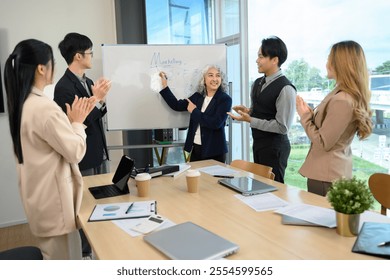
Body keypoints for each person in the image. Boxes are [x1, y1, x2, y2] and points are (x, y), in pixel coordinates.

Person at [4, 39, 96, 259]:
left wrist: (71, 122)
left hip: (41, 203)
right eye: (51, 62)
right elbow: (75, 151)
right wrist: (77, 122)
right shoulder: (44, 108)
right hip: (55, 209)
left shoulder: (23, 104)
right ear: (42, 68)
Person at [54, 32, 111, 258]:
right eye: (89, 53)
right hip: (83, 156)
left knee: (104, 202)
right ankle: (86, 254)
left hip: (99, 151)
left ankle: (104, 246)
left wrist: (101, 100)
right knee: (86, 207)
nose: (92, 57)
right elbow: (82, 120)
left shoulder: (88, 81)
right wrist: (97, 99)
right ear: (78, 56)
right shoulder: (63, 88)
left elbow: (97, 116)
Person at [296, 40, 372, 196]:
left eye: (329, 59)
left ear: (340, 63)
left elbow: (324, 143)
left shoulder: (342, 99)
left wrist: (305, 117)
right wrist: (311, 116)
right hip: (329, 174)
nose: (326, 64)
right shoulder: (340, 94)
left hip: (327, 177)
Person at [228, 36, 296, 183]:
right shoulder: (257, 83)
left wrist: (250, 120)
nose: (257, 60)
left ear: (275, 60)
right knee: (260, 187)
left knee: (275, 190)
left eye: (261, 56)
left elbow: (282, 127)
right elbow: (264, 111)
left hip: (275, 148)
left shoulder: (286, 88)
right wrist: (249, 111)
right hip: (259, 144)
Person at [159, 65, 232, 163]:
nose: (215, 79)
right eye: (210, 75)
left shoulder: (225, 99)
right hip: (195, 149)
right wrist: (164, 86)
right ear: (204, 79)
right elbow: (176, 105)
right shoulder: (198, 97)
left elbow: (215, 123)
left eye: (218, 76)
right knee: (196, 178)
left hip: (214, 151)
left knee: (212, 179)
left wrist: (194, 111)